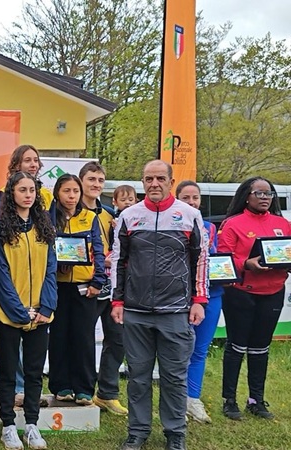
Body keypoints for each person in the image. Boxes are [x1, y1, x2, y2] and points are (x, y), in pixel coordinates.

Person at [111, 160, 208, 450]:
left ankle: (175, 433)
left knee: (174, 378)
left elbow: (200, 260)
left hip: (176, 311)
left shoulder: (189, 215)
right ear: (142, 182)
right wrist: (117, 300)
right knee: (138, 377)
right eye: (148, 178)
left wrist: (199, 300)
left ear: (170, 181)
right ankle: (137, 431)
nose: (154, 184)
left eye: (160, 178)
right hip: (136, 310)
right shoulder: (128, 216)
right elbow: (119, 260)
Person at [0, 172, 57, 450]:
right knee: (8, 370)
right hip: (10, 314)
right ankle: (8, 425)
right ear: (11, 194)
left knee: (33, 371)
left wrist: (47, 306)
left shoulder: (44, 226)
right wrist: (18, 311)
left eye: (32, 190)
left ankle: (32, 424)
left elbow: (51, 269)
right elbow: (0, 273)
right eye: (22, 190)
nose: (28, 195)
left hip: (41, 314)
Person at [217, 177, 290, 421]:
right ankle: (229, 400)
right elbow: (223, 258)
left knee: (261, 348)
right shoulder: (232, 224)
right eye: (259, 193)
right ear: (246, 196)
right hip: (241, 293)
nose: (265, 197)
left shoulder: (283, 224)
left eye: (269, 193)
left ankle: (255, 400)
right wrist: (246, 264)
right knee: (237, 346)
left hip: (273, 292)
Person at [47, 174, 105, 406]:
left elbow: (98, 250)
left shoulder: (90, 217)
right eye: (66, 191)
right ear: (57, 193)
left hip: (84, 287)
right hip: (57, 286)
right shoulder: (49, 218)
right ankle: (61, 386)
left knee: (84, 338)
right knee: (58, 336)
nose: (71, 196)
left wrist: (97, 281)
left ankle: (84, 389)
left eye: (75, 191)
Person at [77, 162, 127, 416]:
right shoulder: (70, 212)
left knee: (117, 339)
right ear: (81, 181)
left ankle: (107, 393)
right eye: (91, 179)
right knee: (84, 341)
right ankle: (83, 390)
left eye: (100, 180)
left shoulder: (110, 214)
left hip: (113, 288)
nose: (96, 184)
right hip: (85, 286)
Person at [175, 180, 222, 424]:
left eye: (195, 197)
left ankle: (192, 399)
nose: (191, 202)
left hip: (211, 295)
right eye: (186, 198)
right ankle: (176, 401)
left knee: (200, 350)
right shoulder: (169, 225)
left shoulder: (210, 228)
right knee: (178, 351)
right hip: (180, 297)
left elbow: (216, 260)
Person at [0, 145, 53, 220]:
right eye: (27, 160)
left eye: (36, 160)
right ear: (17, 165)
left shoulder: (47, 194)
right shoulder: (5, 192)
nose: (33, 165)